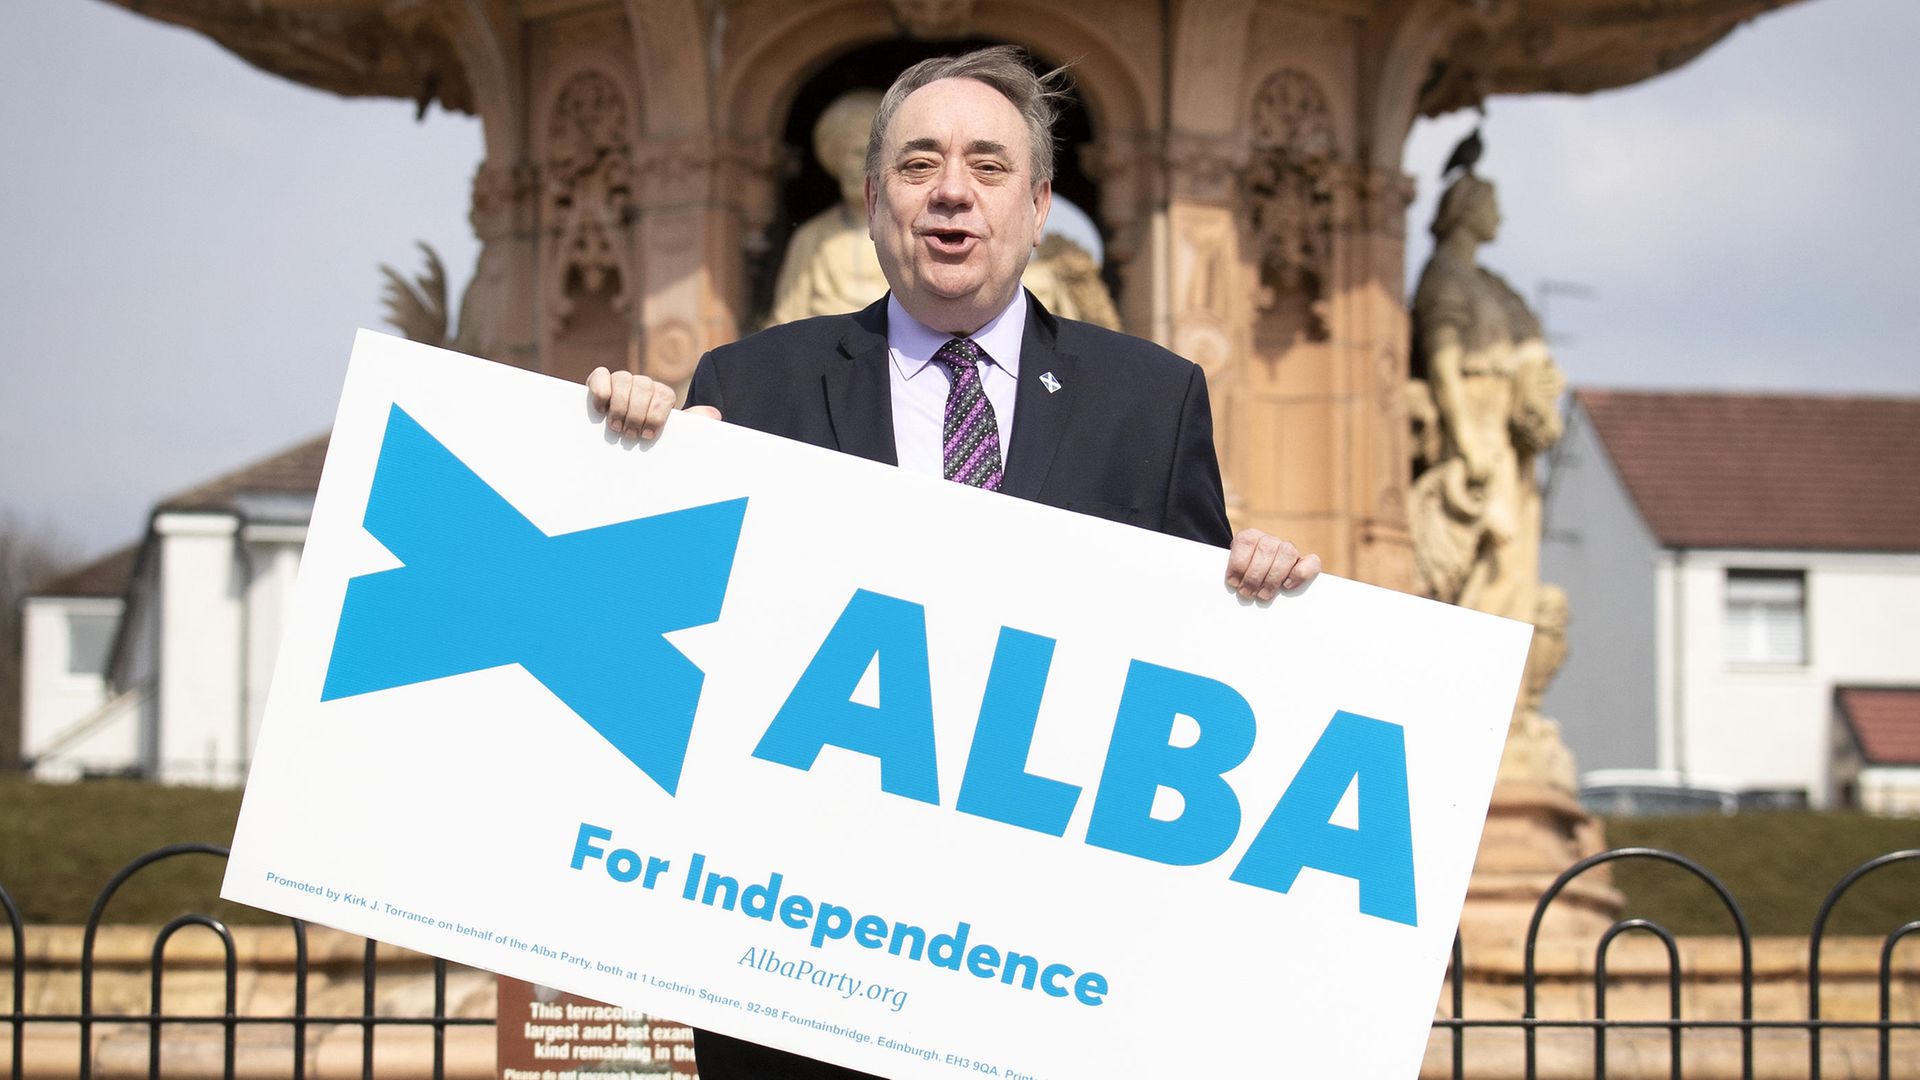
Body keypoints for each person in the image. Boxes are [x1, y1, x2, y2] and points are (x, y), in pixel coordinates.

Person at [587, 46, 1319, 1078]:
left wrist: (1259, 592)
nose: (952, 193)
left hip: (1050, 986)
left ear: (1039, 204)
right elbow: (653, 642)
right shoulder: (751, 389)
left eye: (987, 165)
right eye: (921, 164)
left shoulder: (1150, 404)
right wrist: (626, 467)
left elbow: (1198, 692)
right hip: (805, 981)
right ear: (878, 197)